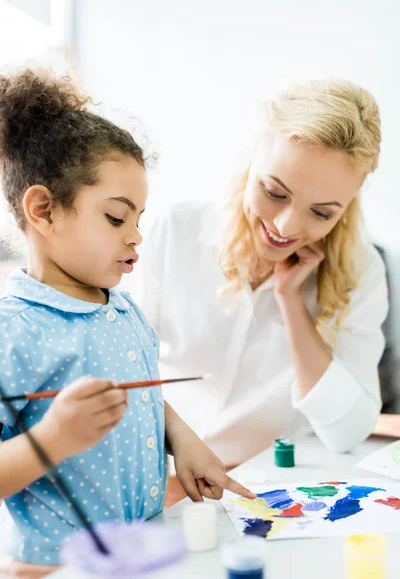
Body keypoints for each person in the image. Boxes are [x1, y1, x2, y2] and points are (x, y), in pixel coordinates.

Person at [0, 69, 254, 577]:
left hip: (145, 549)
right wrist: (54, 438)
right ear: (44, 210)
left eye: (139, 219)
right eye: (117, 218)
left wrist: (184, 441)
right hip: (57, 569)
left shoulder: (122, 309)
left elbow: (144, 394)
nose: (136, 237)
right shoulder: (15, 331)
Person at [129, 78, 389, 500]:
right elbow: (121, 372)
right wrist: (177, 444)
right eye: (274, 192)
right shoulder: (174, 232)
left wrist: (291, 303)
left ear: (349, 204)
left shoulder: (361, 269)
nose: (287, 227)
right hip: (162, 476)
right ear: (252, 157)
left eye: (321, 213)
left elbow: (347, 432)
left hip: (270, 492)